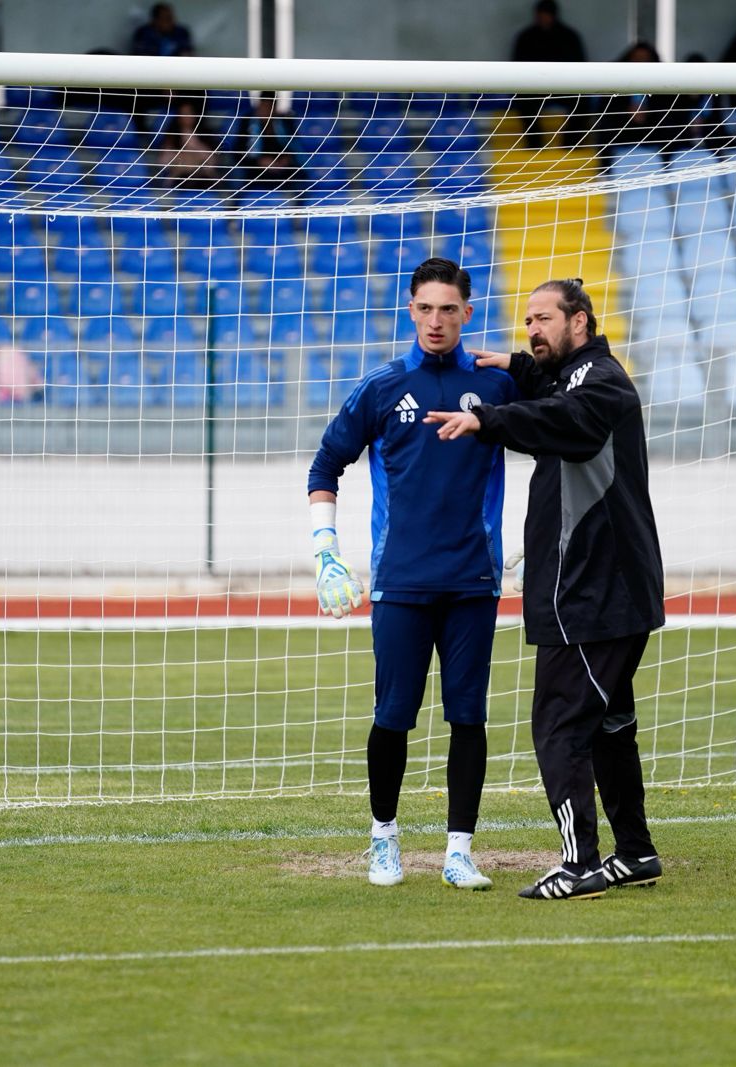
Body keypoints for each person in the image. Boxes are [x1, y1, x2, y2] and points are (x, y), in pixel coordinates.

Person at [424, 279, 665, 901]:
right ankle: (634, 852)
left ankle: (579, 863)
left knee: (560, 727)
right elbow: (552, 385)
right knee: (609, 724)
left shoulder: (602, 383)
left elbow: (568, 418)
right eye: (526, 320)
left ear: (578, 322)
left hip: (590, 593)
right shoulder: (578, 373)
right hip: (607, 591)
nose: (531, 330)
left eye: (543, 319)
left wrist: (486, 418)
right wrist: (514, 366)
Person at [306, 258, 519, 890]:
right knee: (393, 714)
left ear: (467, 314)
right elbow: (325, 465)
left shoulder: (497, 385)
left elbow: (563, 435)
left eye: (448, 309)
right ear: (410, 310)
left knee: (469, 717)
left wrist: (549, 538)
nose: (436, 320)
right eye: (425, 308)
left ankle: (459, 851)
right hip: (399, 582)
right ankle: (384, 840)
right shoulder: (380, 387)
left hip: (473, 582)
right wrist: (325, 550)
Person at [510, 0, 587, 150]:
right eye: (541, 15)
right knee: (524, 100)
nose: (544, 18)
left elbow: (580, 65)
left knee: (582, 102)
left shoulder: (569, 36)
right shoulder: (526, 37)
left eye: (547, 14)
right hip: (534, 86)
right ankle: (535, 146)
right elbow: (517, 66)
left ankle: (570, 145)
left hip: (565, 86)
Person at [233, 92, 300, 191]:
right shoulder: (247, 122)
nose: (265, 111)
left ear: (274, 109)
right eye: (263, 106)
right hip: (254, 170)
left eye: (269, 107)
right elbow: (238, 152)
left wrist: (285, 160)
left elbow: (295, 147)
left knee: (296, 177)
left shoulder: (285, 122)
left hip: (282, 170)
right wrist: (260, 161)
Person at [154, 102, 226, 191]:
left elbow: (213, 162)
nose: (186, 117)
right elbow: (163, 162)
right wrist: (182, 156)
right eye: (183, 113)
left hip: (202, 178)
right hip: (179, 178)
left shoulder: (206, 135)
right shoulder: (171, 136)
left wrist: (195, 144)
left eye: (189, 113)